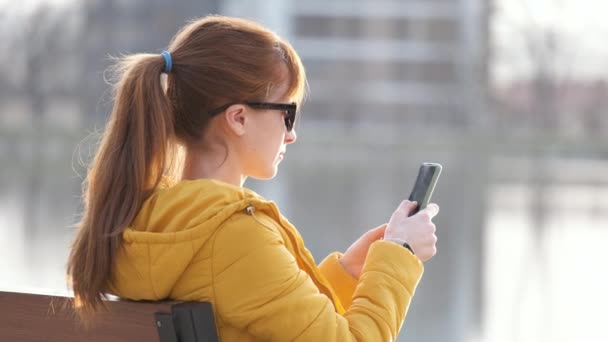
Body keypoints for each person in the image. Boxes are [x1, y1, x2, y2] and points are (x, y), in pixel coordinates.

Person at [67, 15, 439, 341]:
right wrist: (398, 258)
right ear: (239, 118)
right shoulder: (234, 235)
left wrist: (345, 274)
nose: (291, 134)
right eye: (287, 113)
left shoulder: (144, 222)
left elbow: (250, 305)